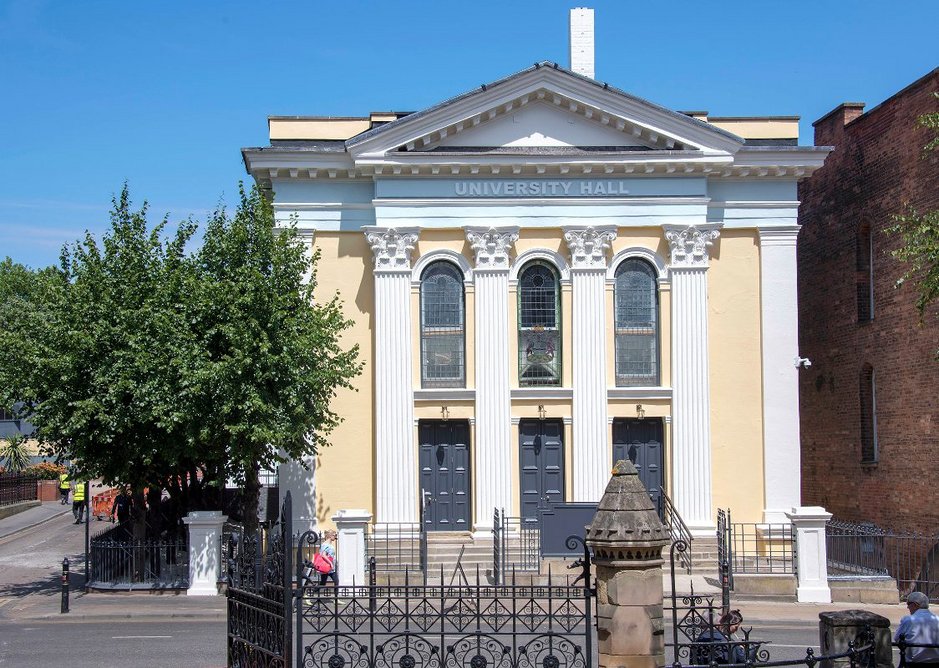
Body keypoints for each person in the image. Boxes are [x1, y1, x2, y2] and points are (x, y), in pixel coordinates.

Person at [895, 592, 939, 666]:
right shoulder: (937, 619)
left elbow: (897, 638)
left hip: (914, 663)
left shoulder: (909, 620)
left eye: (908, 604)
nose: (907, 607)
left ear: (915, 605)